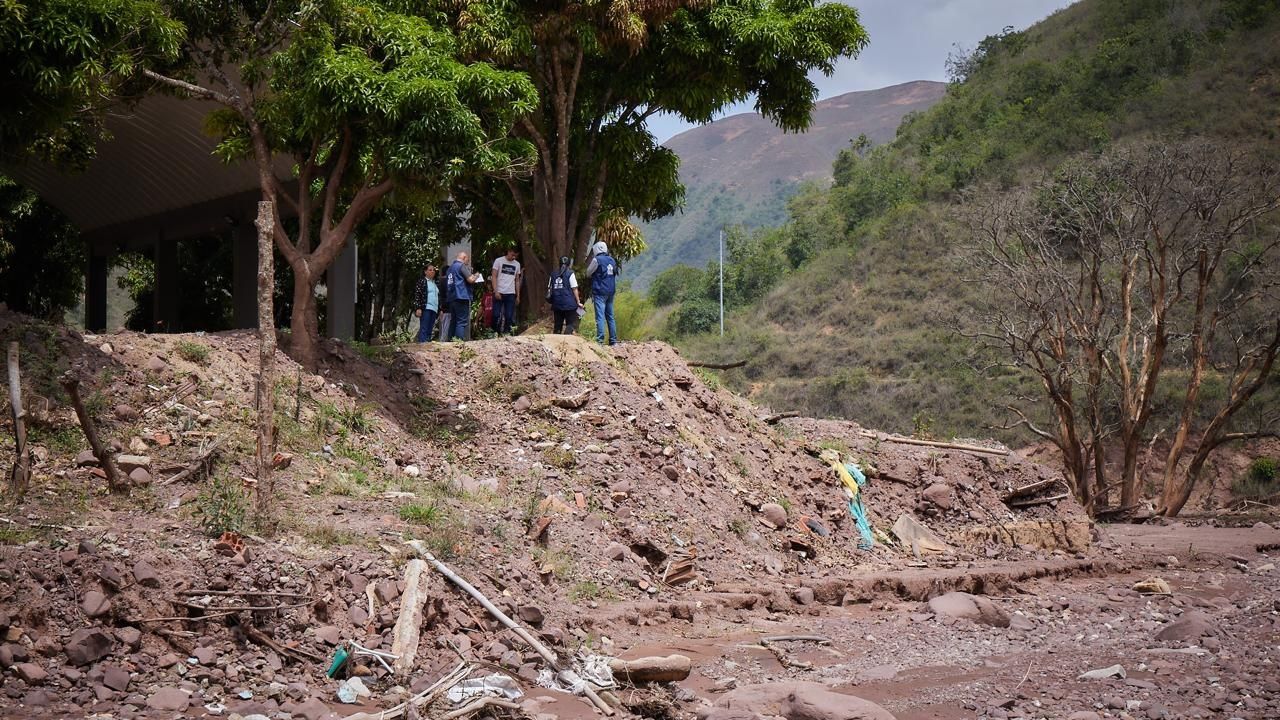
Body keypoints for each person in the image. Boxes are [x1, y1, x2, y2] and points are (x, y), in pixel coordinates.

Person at [585, 240, 619, 345]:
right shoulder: (612, 260)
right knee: (610, 316)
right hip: (611, 291)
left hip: (600, 291)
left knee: (600, 317)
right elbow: (615, 272)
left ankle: (600, 341)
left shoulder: (597, 260)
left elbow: (588, 273)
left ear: (596, 249)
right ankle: (613, 341)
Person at [445, 251, 483, 340]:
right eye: (467, 260)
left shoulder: (449, 268)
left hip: (452, 297)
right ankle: (459, 341)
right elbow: (471, 279)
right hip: (461, 296)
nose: (467, 263)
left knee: (453, 321)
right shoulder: (461, 266)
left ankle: (450, 341)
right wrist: (476, 275)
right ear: (464, 258)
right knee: (461, 321)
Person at [546, 255, 584, 334]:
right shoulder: (570, 273)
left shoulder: (553, 274)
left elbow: (549, 288)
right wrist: (578, 302)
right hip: (569, 305)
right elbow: (574, 288)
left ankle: (556, 338)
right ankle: (567, 336)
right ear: (569, 264)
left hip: (556, 304)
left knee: (557, 326)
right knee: (571, 323)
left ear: (559, 263)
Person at [490, 248, 522, 336]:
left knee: (509, 316)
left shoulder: (517, 264)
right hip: (499, 291)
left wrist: (518, 295)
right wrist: (496, 291)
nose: (514, 257)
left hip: (510, 293)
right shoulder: (499, 261)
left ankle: (506, 333)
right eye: (513, 255)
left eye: (515, 256)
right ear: (509, 251)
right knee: (496, 315)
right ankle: (494, 332)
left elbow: (517, 280)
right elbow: (494, 276)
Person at [413, 264, 440, 342]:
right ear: (425, 272)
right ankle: (422, 344)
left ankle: (427, 344)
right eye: (430, 270)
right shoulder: (422, 281)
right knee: (424, 327)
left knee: (430, 329)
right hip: (426, 308)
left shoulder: (435, 282)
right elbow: (417, 294)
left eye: (433, 270)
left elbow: (439, 297)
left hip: (434, 309)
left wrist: (440, 309)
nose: (432, 271)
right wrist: (418, 308)